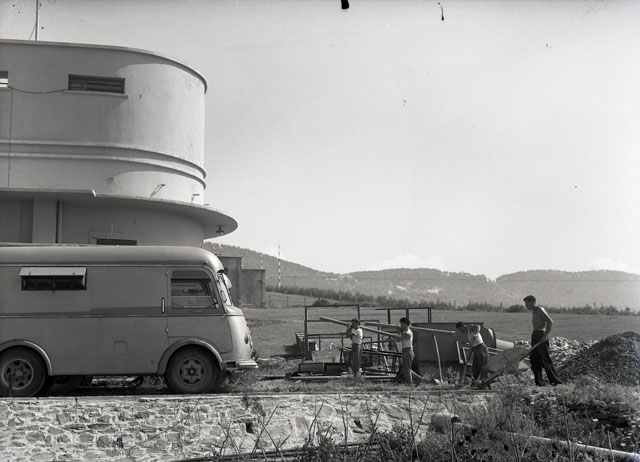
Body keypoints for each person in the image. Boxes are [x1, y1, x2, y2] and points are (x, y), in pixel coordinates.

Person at [524, 295, 562, 386]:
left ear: (532, 302)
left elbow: (550, 321)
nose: (526, 306)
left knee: (545, 359)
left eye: (527, 303)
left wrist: (545, 336)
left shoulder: (539, 309)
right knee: (535, 359)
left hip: (541, 334)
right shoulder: (534, 311)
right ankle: (539, 383)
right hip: (535, 334)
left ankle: (555, 381)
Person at [455, 321, 490, 389]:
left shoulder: (470, 328)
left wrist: (476, 333)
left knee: (482, 367)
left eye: (460, 330)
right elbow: (472, 345)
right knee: (475, 368)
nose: (460, 332)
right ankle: (476, 383)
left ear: (462, 327)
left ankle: (485, 385)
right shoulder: (468, 334)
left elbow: (478, 326)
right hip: (475, 350)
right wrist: (469, 356)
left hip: (481, 348)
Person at [395, 317, 414, 385]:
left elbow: (398, 340)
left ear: (405, 324)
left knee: (407, 370)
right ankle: (418, 379)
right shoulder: (406, 332)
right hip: (406, 351)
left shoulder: (407, 333)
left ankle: (410, 384)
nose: (401, 326)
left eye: (402, 324)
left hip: (407, 351)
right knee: (406, 368)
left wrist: (398, 332)